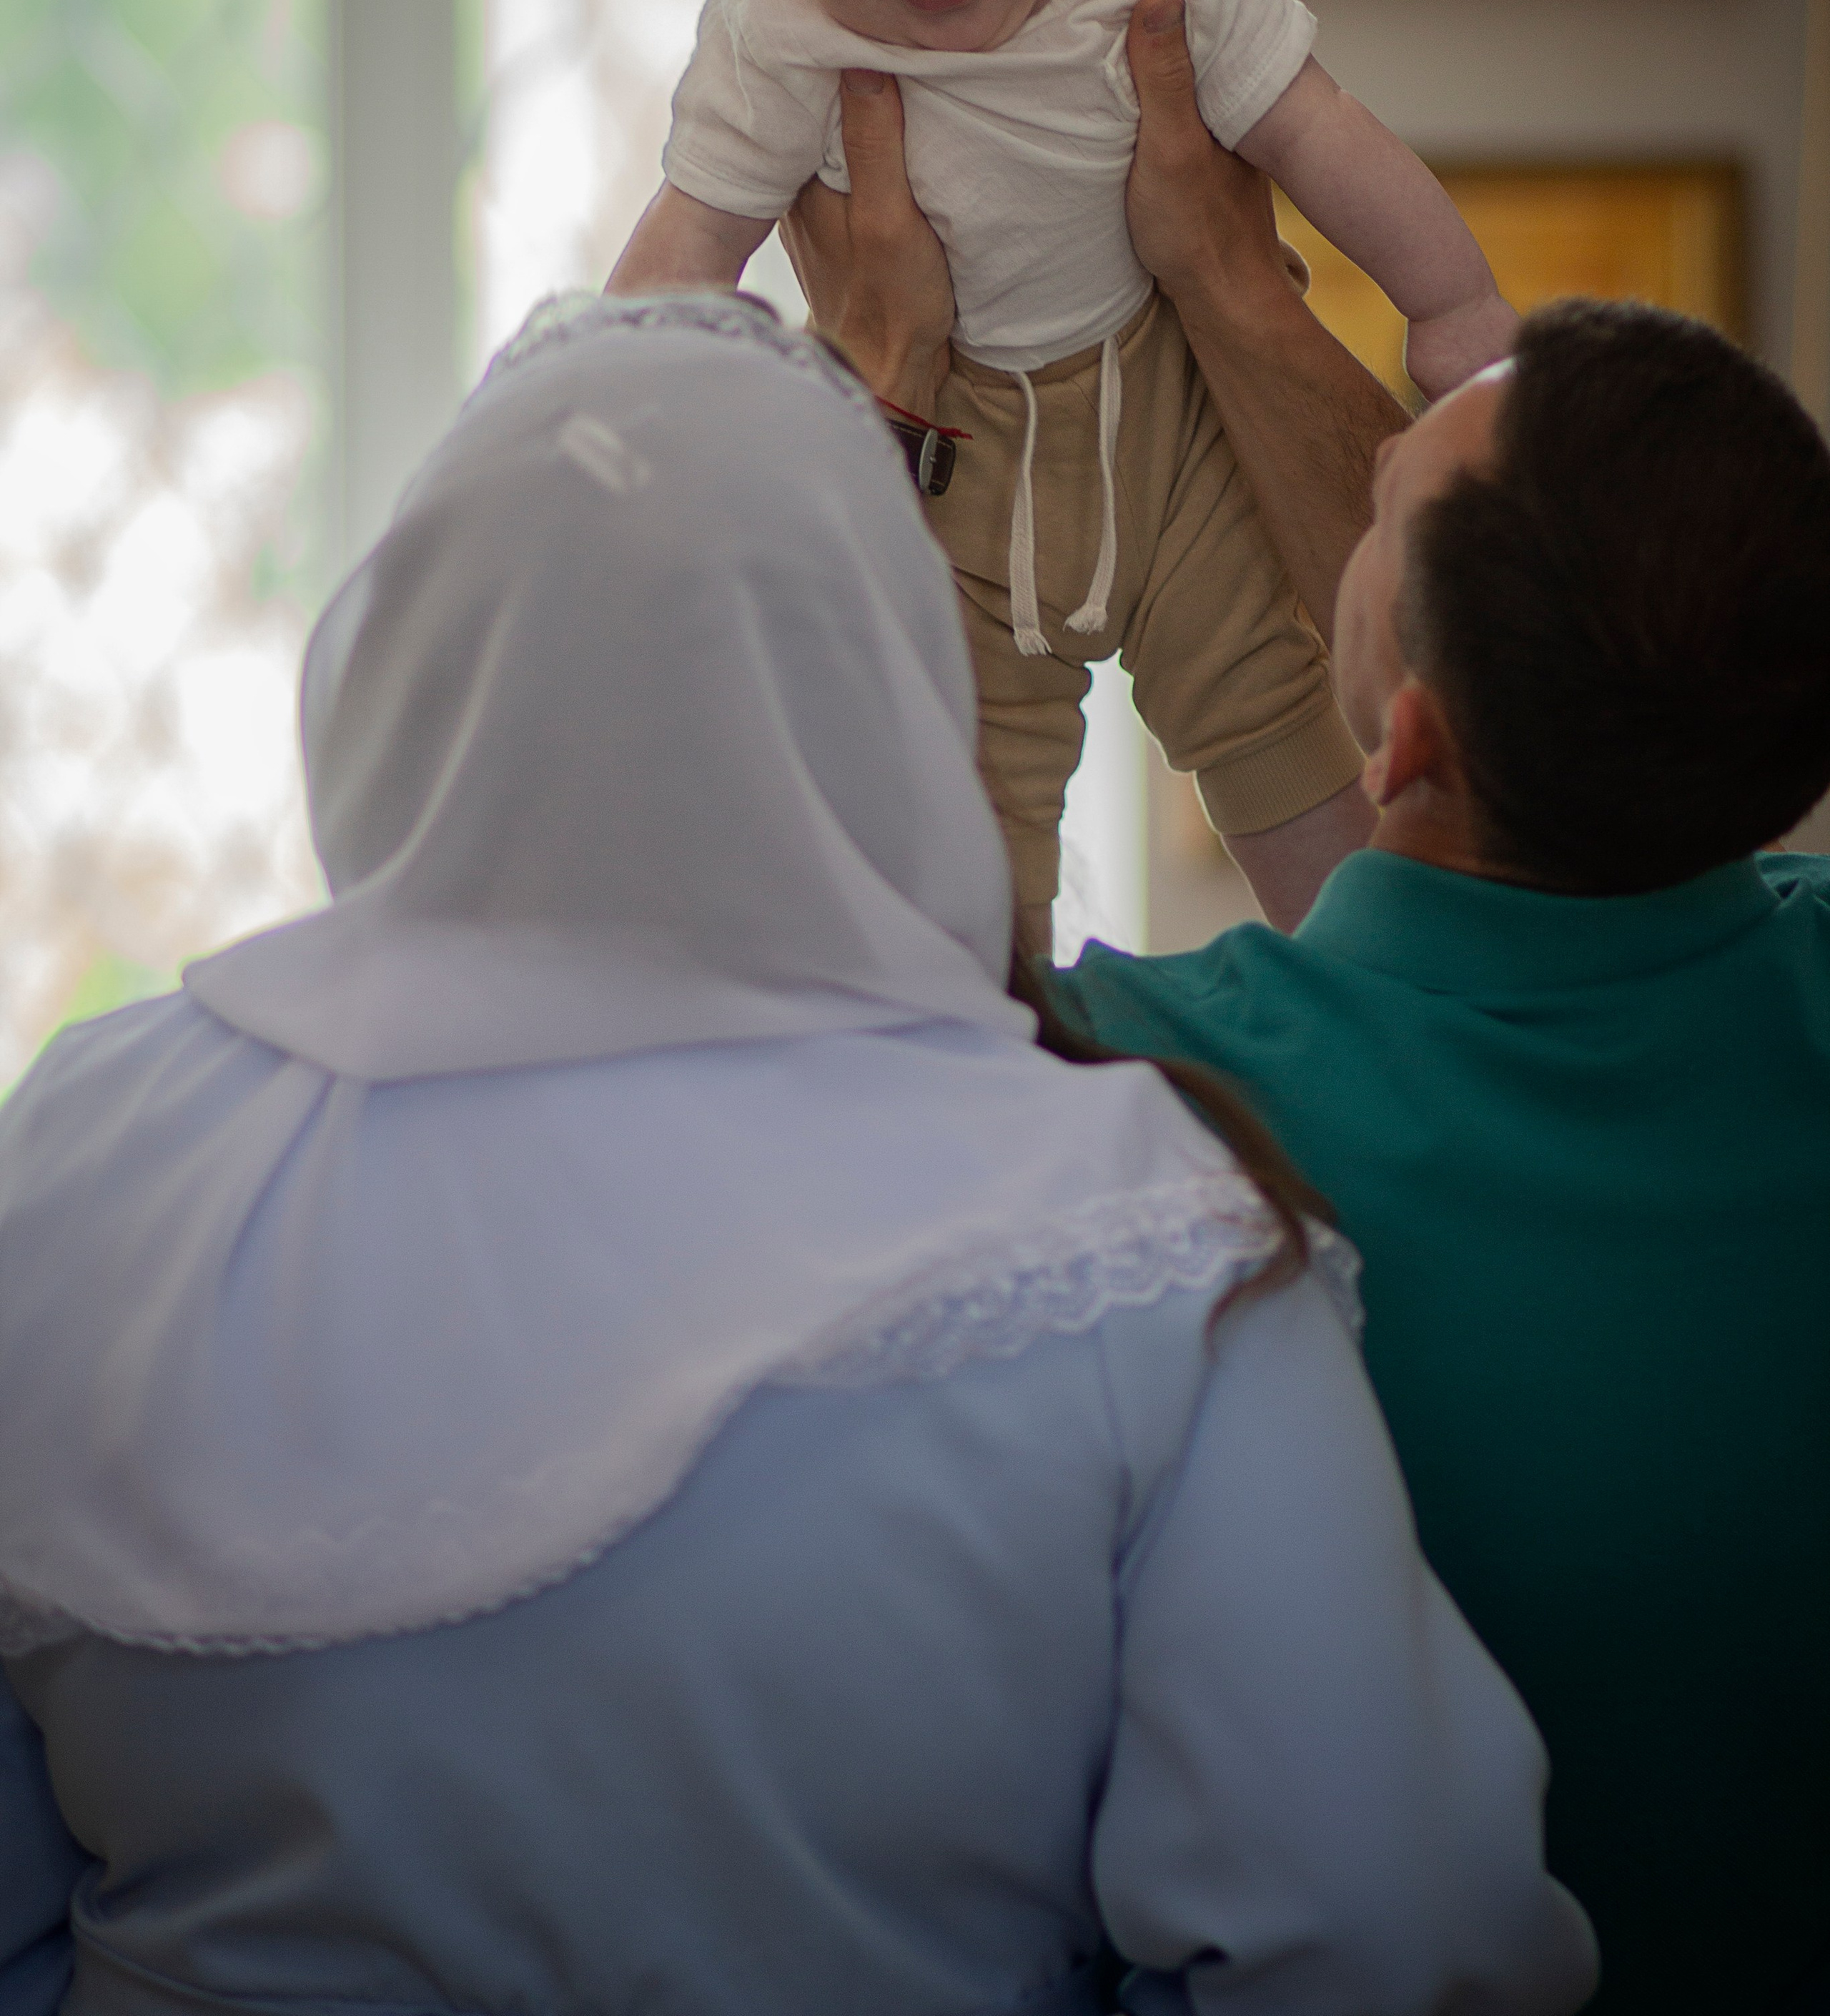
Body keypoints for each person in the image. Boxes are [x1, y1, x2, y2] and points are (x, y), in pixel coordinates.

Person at [0, 287, 1596, 2016]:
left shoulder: (80, 1170)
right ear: (888, 686)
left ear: (393, 662)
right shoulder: (1127, 1238)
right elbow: (1380, 1937)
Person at [793, 9, 1830, 2016]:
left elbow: (818, 957)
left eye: (1378, 520)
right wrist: (1229, 279)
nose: (1353, 491)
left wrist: (883, 379)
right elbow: (1522, 611)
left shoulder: (1147, 1100)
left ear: (1409, 735)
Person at [611, 0, 1515, 949]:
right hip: (947, 454)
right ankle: (999, 1022)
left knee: (1268, 705)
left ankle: (1359, 977)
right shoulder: (778, 19)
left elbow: (1315, 129)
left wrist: (1451, 301)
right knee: (962, 784)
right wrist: (614, 410)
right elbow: (691, 239)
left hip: (1172, 407)